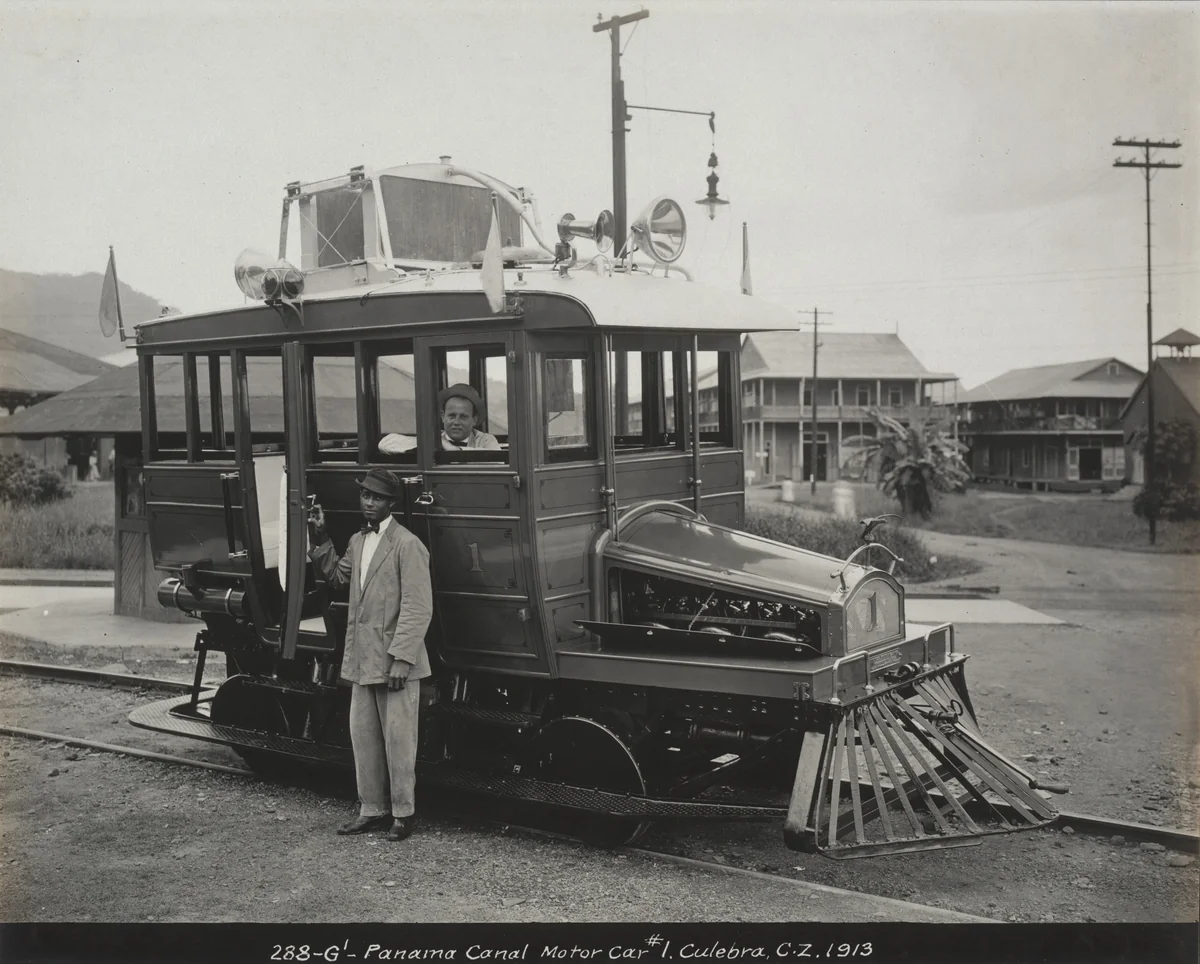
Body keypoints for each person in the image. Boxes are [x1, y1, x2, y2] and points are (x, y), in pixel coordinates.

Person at [307, 468, 433, 842]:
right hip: (364, 659)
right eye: (365, 495)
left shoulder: (407, 544)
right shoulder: (358, 542)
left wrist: (402, 658)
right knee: (363, 737)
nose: (369, 502)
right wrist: (320, 535)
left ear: (391, 503)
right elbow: (338, 578)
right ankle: (372, 810)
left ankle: (403, 815)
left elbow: (417, 606)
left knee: (399, 740)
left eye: (377, 497)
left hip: (395, 662)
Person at [438, 383, 500, 451]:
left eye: (463, 417)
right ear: (443, 416)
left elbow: (497, 459)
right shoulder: (432, 440)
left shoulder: (486, 440)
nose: (456, 422)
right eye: (452, 416)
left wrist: (453, 448)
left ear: (474, 420)